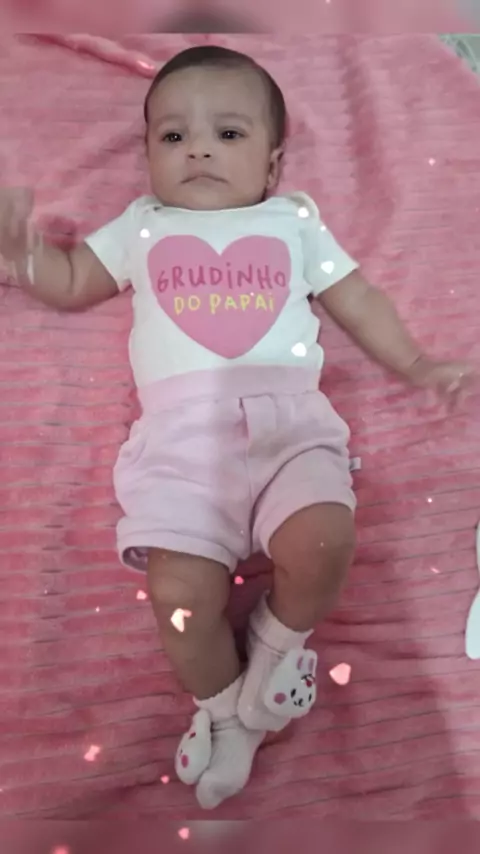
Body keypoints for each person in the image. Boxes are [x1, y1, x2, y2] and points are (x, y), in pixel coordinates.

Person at [0, 45, 472, 810]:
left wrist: (416, 362)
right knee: (178, 594)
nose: (198, 151)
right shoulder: (142, 226)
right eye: (173, 136)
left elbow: (356, 298)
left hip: (290, 425)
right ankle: (228, 714)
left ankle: (277, 650)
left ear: (273, 164)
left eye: (227, 134)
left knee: (325, 539)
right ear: (148, 155)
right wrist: (23, 255)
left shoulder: (292, 222)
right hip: (181, 442)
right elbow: (73, 278)